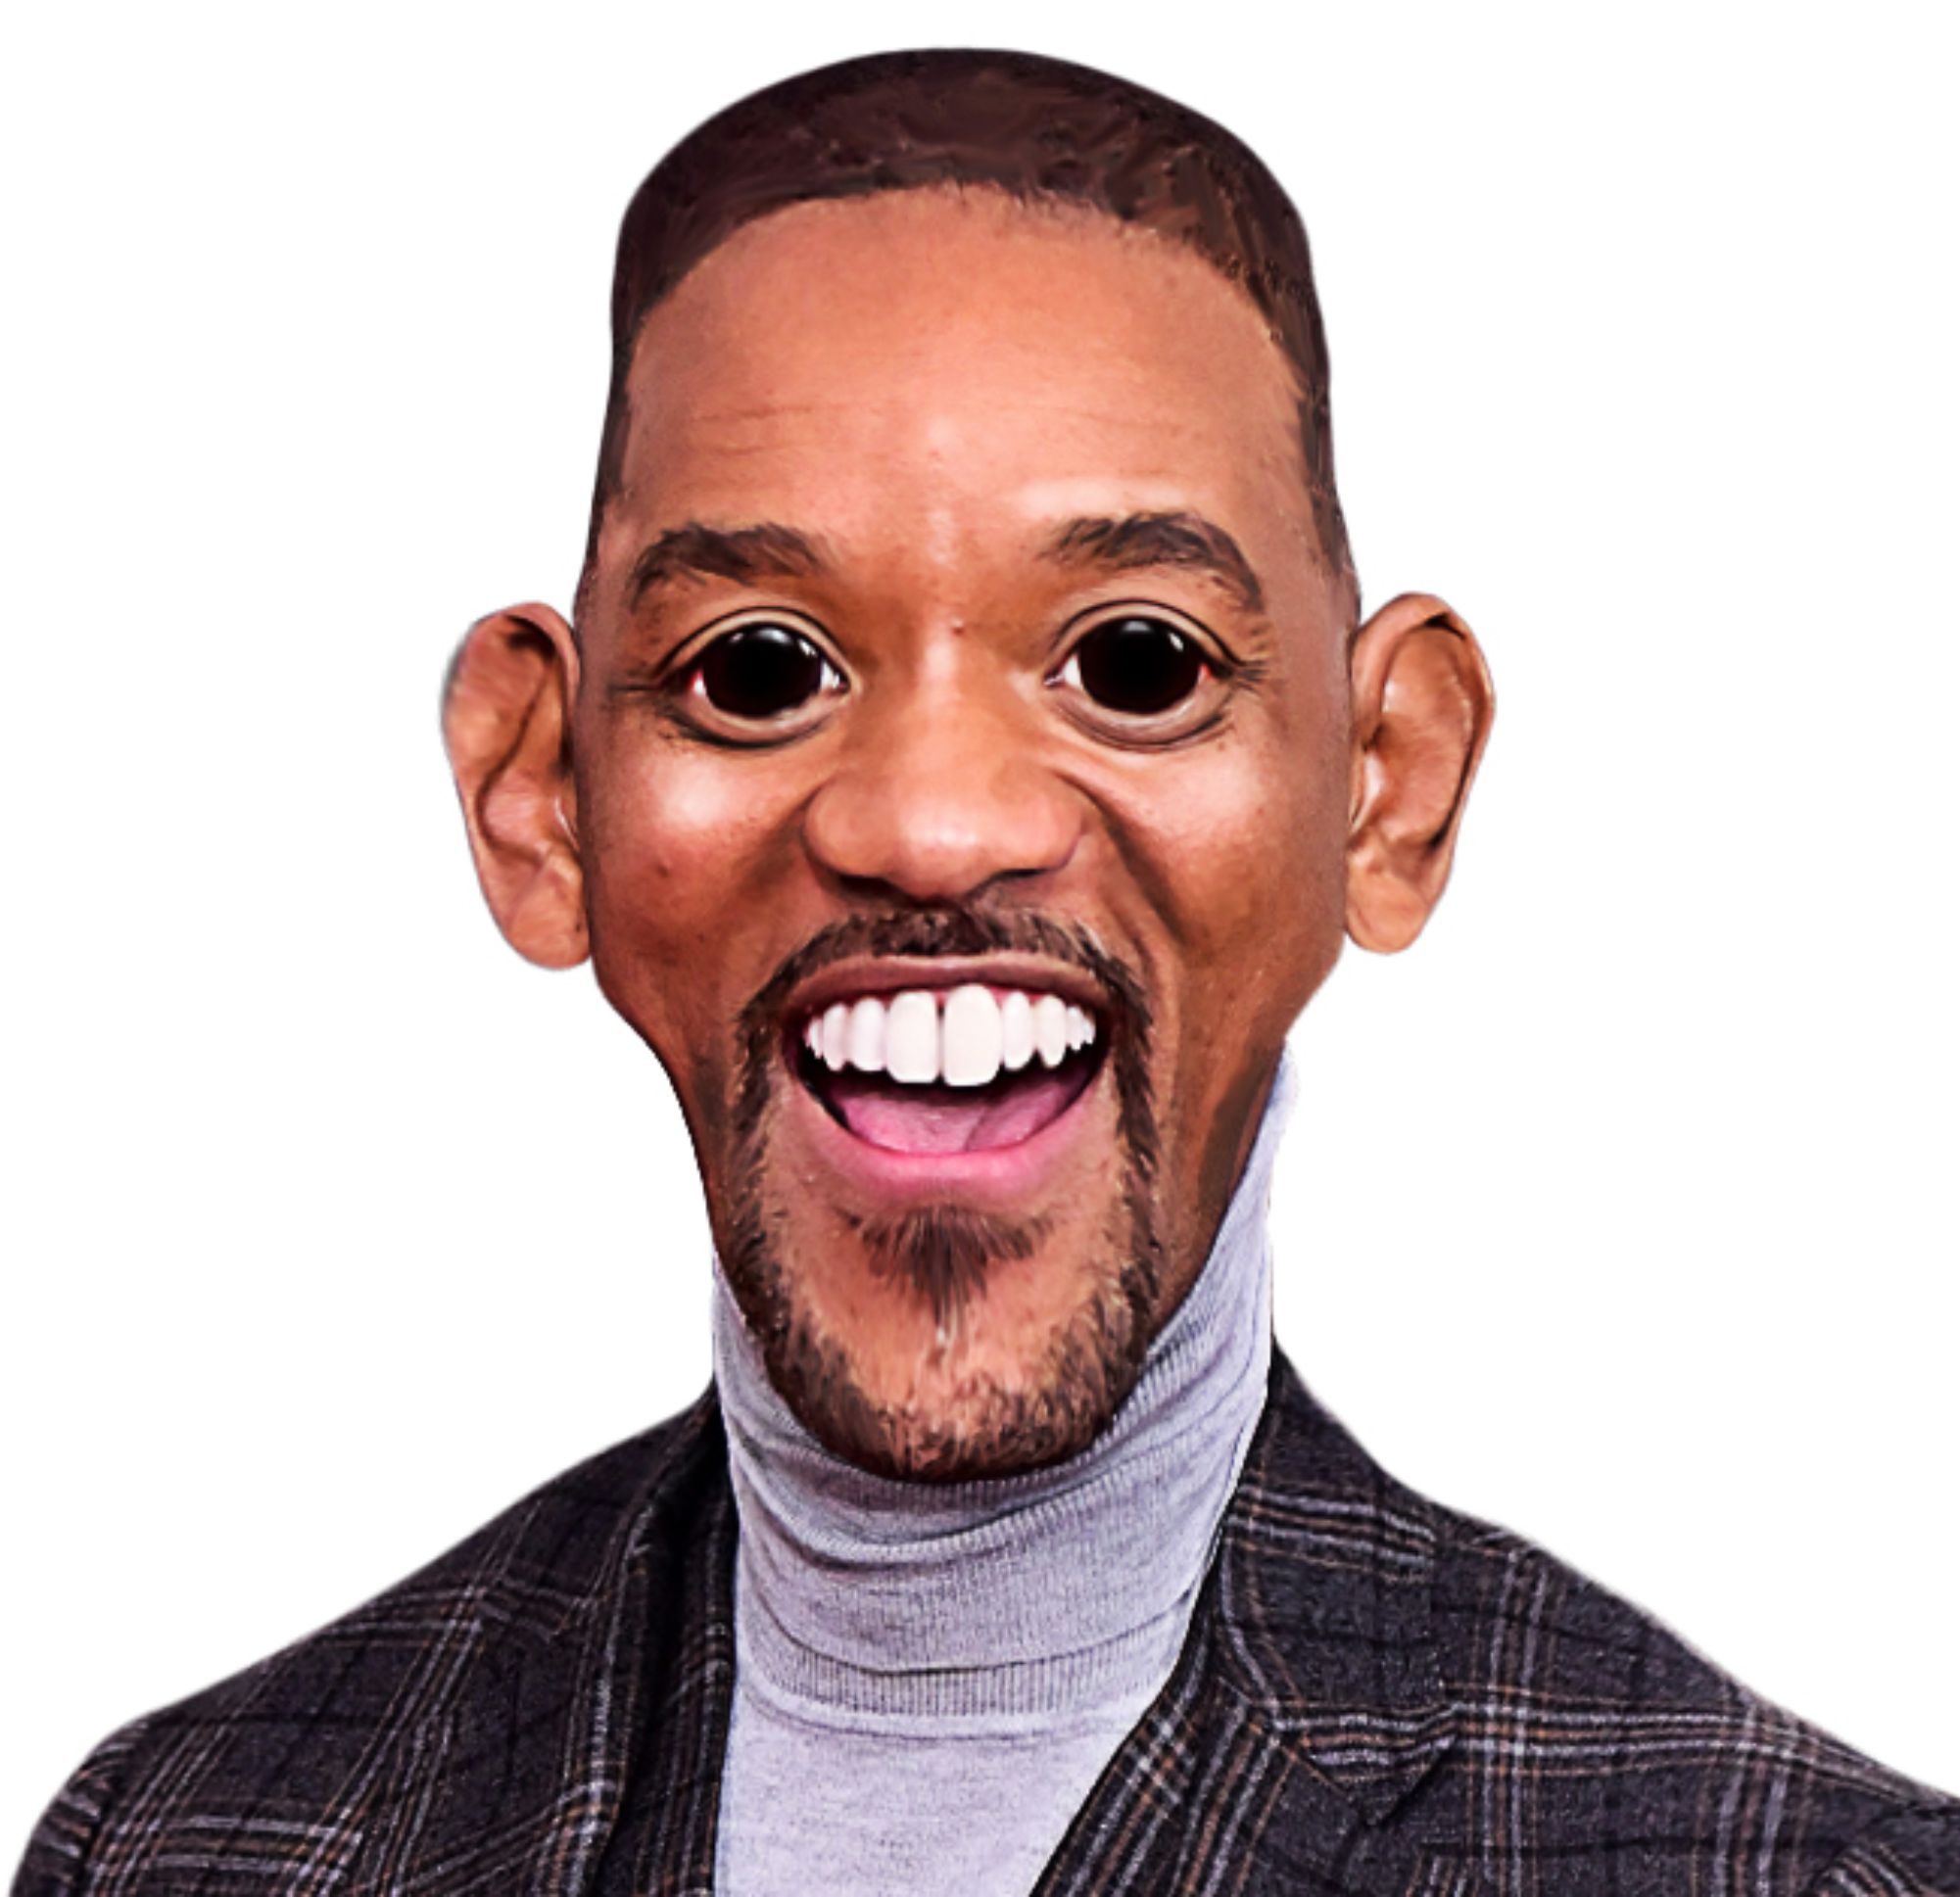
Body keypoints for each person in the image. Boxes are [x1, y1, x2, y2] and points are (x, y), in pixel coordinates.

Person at [16, 46, 1957, 1897]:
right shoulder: (189, 1840)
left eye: (1135, 662)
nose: (934, 825)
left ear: (1385, 784)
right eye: (758, 669)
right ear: (541, 796)